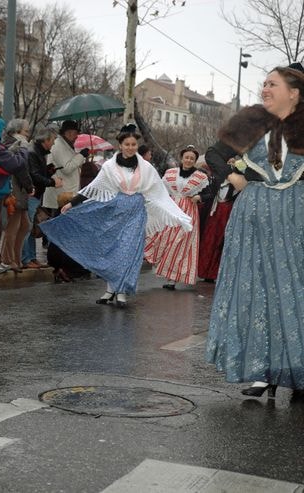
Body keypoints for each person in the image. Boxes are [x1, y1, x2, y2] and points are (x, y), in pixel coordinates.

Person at [205, 63, 304, 401]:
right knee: (257, 290)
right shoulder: (251, 121)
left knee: (292, 291)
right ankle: (262, 371)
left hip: (296, 216)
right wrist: (231, 177)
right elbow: (215, 154)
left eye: (272, 84)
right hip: (254, 217)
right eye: (263, 83)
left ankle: (296, 369)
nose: (264, 89)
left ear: (294, 92)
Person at [40, 124, 192, 308]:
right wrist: (73, 203)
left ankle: (120, 292)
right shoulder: (110, 166)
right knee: (114, 252)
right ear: (120, 145)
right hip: (116, 212)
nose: (130, 147)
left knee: (128, 253)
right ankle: (110, 290)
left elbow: (158, 192)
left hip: (136, 213)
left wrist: (176, 214)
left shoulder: (146, 167)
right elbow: (94, 188)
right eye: (127, 144)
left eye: (133, 144)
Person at [144, 145, 209, 289]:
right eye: (187, 157)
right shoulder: (171, 173)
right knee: (166, 237)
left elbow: (209, 193)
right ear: (182, 158)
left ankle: (172, 279)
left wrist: (199, 196)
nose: (189, 160)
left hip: (188, 211)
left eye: (192, 158)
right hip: (172, 208)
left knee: (180, 243)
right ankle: (161, 268)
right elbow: (160, 189)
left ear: (195, 161)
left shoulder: (200, 177)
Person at [22, 127, 63, 269]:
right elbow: (35, 175)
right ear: (46, 140)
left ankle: (31, 257)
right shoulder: (33, 152)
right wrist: (52, 182)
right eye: (52, 140)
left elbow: (38, 172)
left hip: (37, 194)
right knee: (28, 228)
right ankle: (26, 259)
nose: (53, 144)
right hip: (33, 195)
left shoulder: (38, 152)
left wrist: (49, 170)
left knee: (33, 228)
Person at [1, 119, 34, 272]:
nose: (28, 134)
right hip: (15, 190)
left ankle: (15, 257)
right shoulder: (17, 145)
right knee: (13, 227)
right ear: (18, 131)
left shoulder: (17, 144)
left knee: (24, 225)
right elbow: (20, 168)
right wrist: (29, 186)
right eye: (26, 131)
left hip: (18, 190)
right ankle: (8, 259)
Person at [42, 120, 87, 214]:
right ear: (69, 133)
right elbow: (67, 168)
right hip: (62, 193)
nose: (76, 136)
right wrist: (81, 155)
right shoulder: (58, 145)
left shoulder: (66, 145)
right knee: (59, 221)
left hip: (65, 192)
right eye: (75, 133)